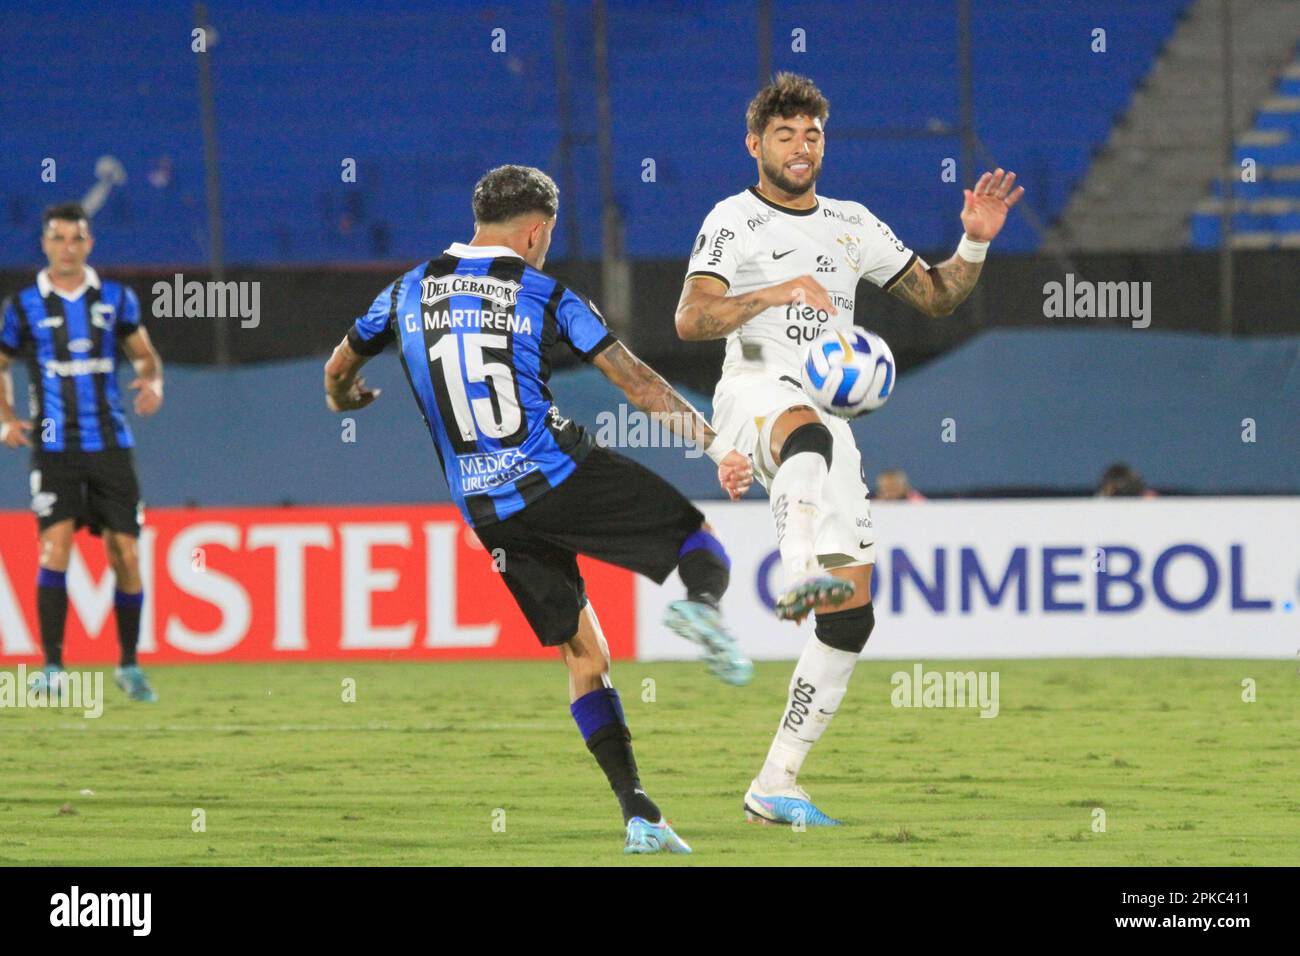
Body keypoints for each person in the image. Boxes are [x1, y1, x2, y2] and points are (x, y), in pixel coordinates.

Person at [323, 165, 755, 854]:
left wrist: (343, 400)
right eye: (546, 237)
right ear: (534, 232)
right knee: (694, 539)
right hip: (556, 471)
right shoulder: (544, 293)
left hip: (486, 512)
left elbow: (340, 367)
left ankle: (639, 810)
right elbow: (636, 382)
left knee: (584, 654)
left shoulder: (404, 291)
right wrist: (715, 445)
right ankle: (700, 604)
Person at [675, 73, 1023, 825]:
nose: (801, 148)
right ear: (755, 144)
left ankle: (776, 782)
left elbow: (936, 295)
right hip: (755, 394)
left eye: (813, 135)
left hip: (829, 429)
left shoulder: (852, 223)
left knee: (853, 614)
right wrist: (773, 294)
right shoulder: (733, 221)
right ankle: (796, 570)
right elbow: (691, 319)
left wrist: (974, 241)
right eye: (785, 135)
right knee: (801, 427)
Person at [0, 203, 165, 702]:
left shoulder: (115, 300)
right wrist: (5, 417)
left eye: (76, 238)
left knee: (127, 554)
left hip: (112, 447)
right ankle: (52, 666)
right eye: (58, 238)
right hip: (55, 449)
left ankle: (130, 666)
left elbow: (144, 355)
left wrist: (153, 382)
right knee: (55, 547)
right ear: (45, 244)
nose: (67, 247)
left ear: (89, 245)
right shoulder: (24, 306)